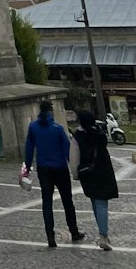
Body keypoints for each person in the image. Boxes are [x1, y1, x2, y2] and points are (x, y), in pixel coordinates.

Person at [24, 99, 85, 248]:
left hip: (44, 169)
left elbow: (29, 147)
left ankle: (50, 236)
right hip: (60, 169)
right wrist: (74, 168)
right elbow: (67, 150)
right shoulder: (57, 129)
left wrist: (27, 165)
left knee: (47, 202)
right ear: (50, 111)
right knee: (67, 201)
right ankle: (74, 231)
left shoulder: (33, 127)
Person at [70, 110, 118, 250]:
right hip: (103, 171)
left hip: (88, 174)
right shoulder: (100, 133)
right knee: (102, 204)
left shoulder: (77, 137)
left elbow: (74, 158)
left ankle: (103, 234)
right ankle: (104, 235)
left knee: (95, 202)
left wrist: (75, 174)